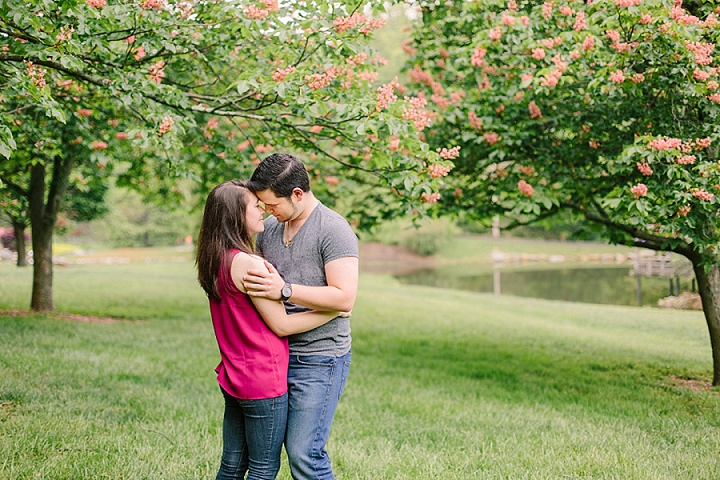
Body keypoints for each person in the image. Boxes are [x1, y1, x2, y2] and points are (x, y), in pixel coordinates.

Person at [196, 179, 345, 480]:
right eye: (255, 205)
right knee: (263, 469)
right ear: (237, 215)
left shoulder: (215, 259)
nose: (262, 210)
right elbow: (282, 324)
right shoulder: (251, 265)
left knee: (232, 465)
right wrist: (335, 309)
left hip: (234, 376)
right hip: (263, 380)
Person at [243, 153, 359, 480]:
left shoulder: (333, 230)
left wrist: (285, 290)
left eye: (272, 204)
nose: (267, 211)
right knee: (266, 452)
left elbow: (345, 296)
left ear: (297, 194)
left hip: (321, 358)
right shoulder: (268, 229)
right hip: (275, 356)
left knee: (304, 452)